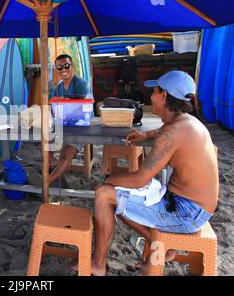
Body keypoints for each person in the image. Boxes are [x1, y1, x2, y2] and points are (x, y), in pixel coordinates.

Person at [91, 70, 219, 276]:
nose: (151, 95)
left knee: (104, 194)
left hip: (186, 213)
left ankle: (98, 264)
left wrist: (109, 180)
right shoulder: (187, 123)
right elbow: (166, 132)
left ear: (164, 96)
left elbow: (140, 178)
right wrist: (146, 134)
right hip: (197, 207)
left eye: (154, 91)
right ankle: (158, 243)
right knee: (120, 198)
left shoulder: (171, 133)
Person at [48, 53, 91, 185]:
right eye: (60, 67)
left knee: (66, 155)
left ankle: (46, 183)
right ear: (56, 70)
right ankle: (56, 169)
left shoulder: (81, 84)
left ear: (73, 67)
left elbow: (84, 109)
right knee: (44, 143)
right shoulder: (58, 88)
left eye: (67, 65)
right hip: (63, 127)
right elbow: (52, 108)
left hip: (80, 128)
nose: (64, 70)